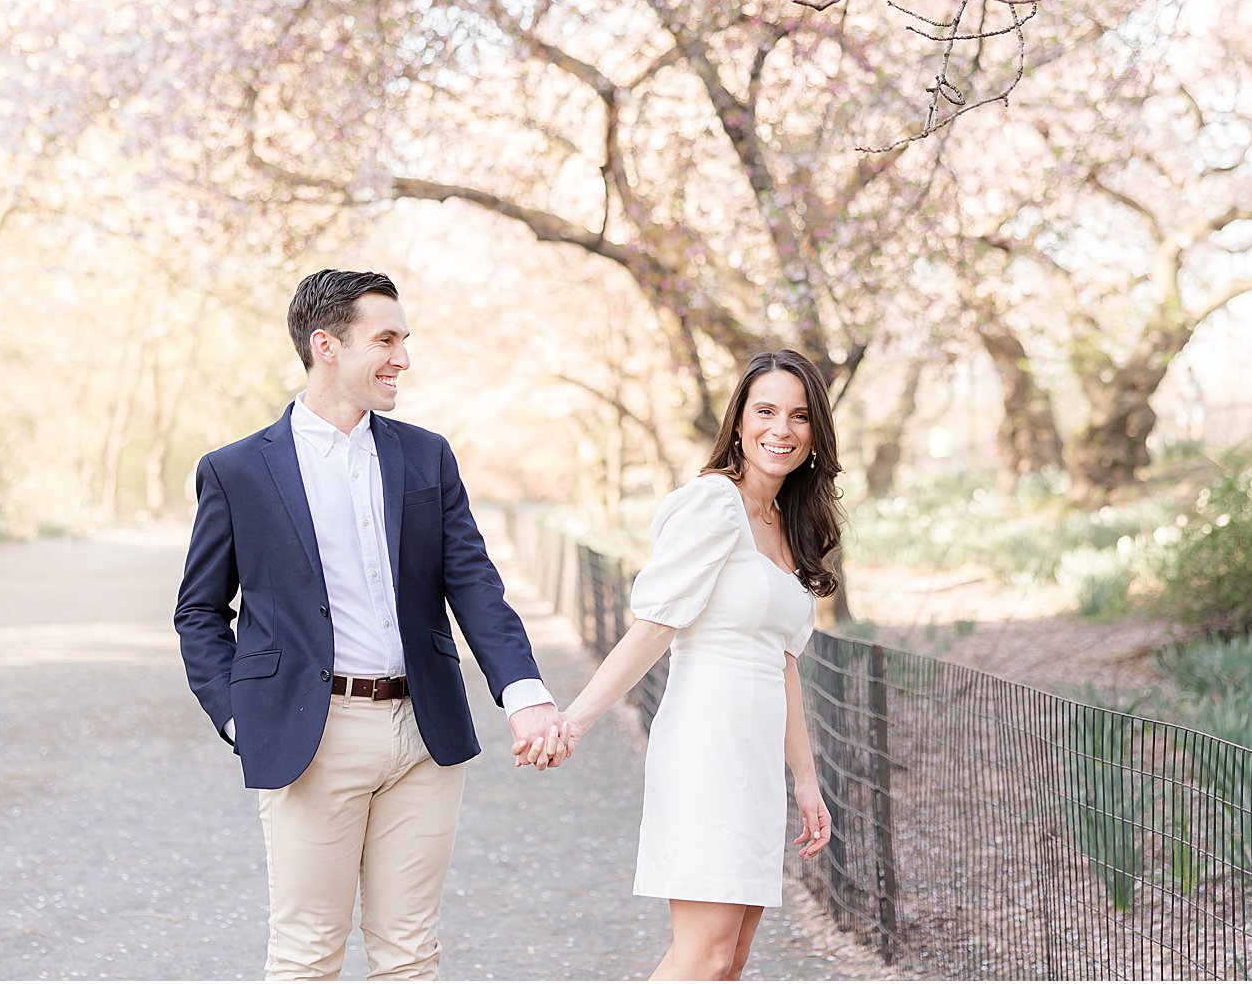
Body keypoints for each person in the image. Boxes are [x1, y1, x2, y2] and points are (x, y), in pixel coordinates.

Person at [176, 269, 569, 981]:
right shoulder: (236, 470)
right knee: (306, 954)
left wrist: (525, 690)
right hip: (310, 736)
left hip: (424, 734)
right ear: (326, 345)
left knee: (411, 953)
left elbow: (473, 581)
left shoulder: (425, 455)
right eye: (385, 339)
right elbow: (200, 610)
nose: (403, 359)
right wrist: (242, 717)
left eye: (405, 339)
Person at [518, 348, 840, 981]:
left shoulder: (787, 525)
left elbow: (783, 664)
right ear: (739, 422)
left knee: (730, 959)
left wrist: (805, 780)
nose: (781, 429)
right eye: (765, 411)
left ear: (814, 433)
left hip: (753, 757)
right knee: (707, 953)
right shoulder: (713, 505)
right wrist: (574, 721)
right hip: (706, 748)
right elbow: (654, 627)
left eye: (799, 416)